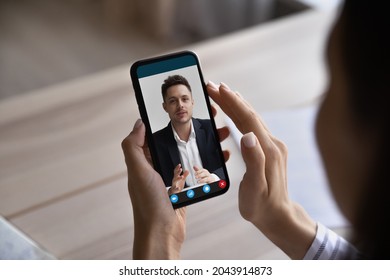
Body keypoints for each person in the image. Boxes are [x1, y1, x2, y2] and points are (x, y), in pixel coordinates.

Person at [121, 0, 389, 260]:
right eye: (172, 101)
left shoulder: (205, 131)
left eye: (329, 85)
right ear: (165, 107)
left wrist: (159, 236)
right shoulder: (160, 141)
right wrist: (280, 217)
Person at [153, 74, 225, 188]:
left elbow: (224, 168)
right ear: (165, 107)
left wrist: (213, 178)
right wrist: (171, 191)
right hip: (182, 204)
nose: (180, 105)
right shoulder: (155, 142)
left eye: (185, 99)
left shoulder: (210, 127)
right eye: (173, 101)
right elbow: (157, 183)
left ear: (192, 102)